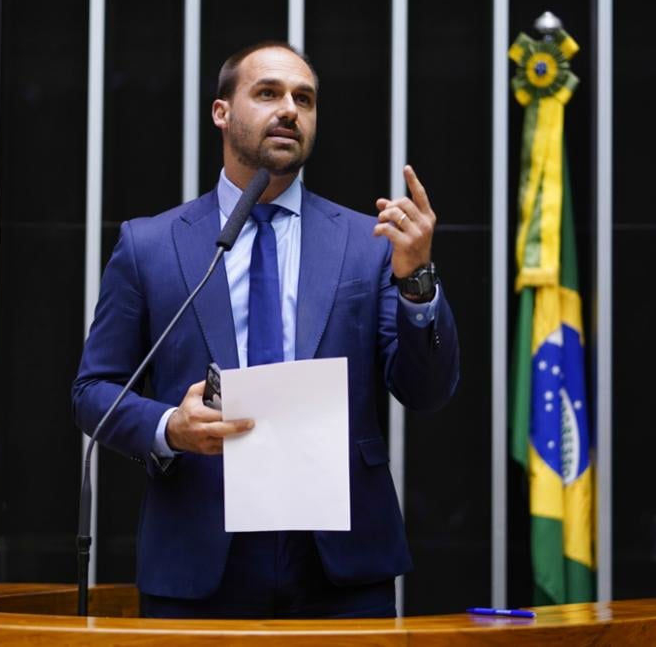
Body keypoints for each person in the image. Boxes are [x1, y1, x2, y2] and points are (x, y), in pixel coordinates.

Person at [73, 41, 459, 619]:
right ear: (221, 112)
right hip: (200, 554)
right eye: (268, 93)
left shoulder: (367, 245)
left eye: (304, 99)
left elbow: (426, 391)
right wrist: (168, 427)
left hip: (341, 560)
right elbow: (93, 392)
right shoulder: (151, 245)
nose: (289, 110)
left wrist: (418, 280)